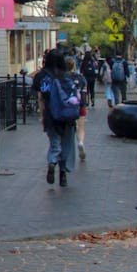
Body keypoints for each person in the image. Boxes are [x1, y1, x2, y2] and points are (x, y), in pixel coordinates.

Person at [32, 47, 78, 187]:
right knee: (67, 144)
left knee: (55, 143)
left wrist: (42, 116)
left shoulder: (41, 76)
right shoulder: (67, 76)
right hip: (68, 116)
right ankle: (63, 174)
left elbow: (40, 98)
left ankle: (52, 161)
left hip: (51, 115)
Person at [68, 57, 88, 161]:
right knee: (80, 126)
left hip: (67, 107)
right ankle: (80, 142)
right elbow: (85, 92)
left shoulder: (62, 78)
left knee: (68, 128)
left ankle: (68, 150)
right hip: (80, 105)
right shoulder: (81, 78)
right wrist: (85, 105)